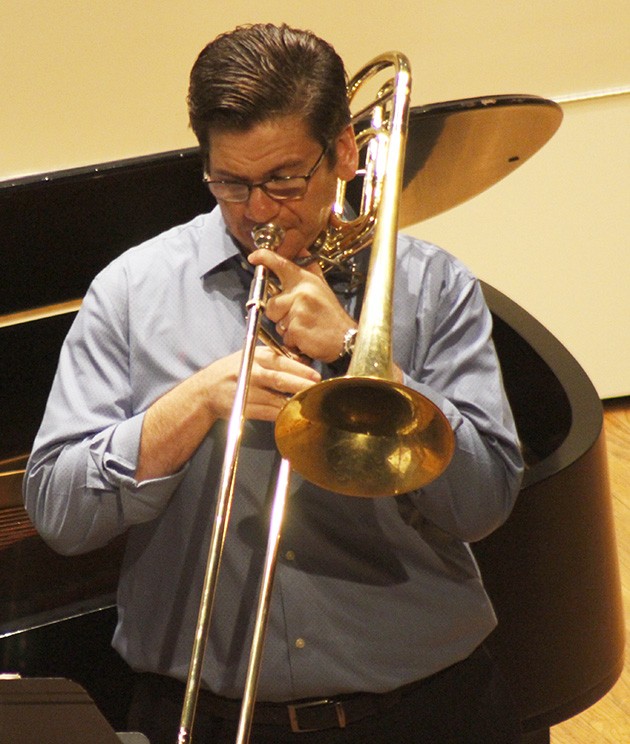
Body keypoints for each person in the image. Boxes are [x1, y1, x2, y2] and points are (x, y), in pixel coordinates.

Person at [24, 23, 525, 744]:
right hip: (206, 711)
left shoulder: (430, 286)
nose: (258, 210)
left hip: (423, 709)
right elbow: (61, 517)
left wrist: (361, 354)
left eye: (285, 179)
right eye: (230, 183)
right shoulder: (132, 292)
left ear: (345, 153)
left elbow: (483, 504)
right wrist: (191, 405)